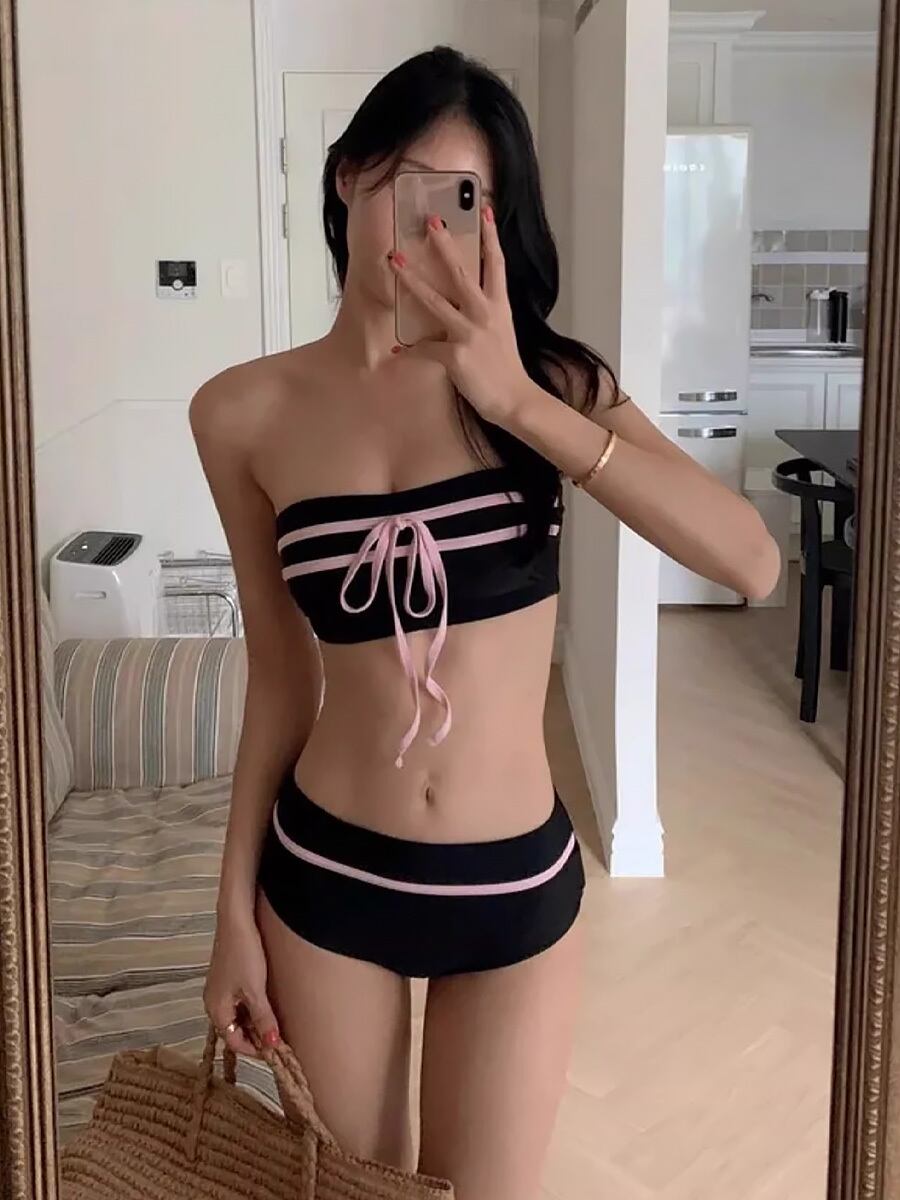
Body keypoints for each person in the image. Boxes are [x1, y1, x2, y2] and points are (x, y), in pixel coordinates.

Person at [190, 45, 779, 1200]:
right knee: (353, 1193)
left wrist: (513, 400)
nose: (432, 232)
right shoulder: (242, 413)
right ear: (351, 175)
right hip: (325, 874)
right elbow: (279, 677)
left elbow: (751, 561)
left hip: (512, 889)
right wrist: (231, 916)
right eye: (414, 187)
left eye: (466, 204)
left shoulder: (550, 386)